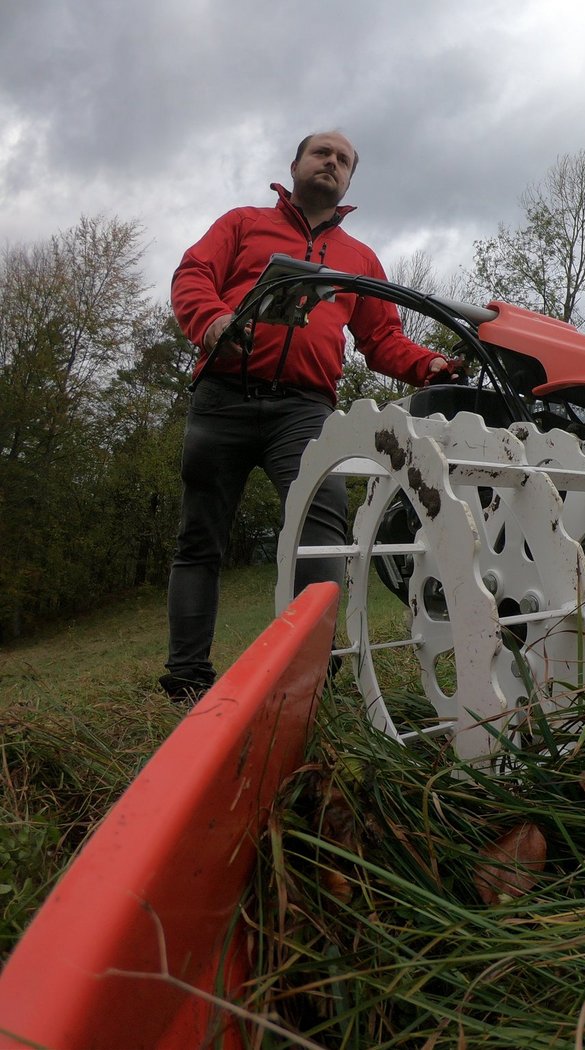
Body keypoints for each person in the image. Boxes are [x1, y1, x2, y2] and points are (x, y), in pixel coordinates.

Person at [161, 130, 454, 702]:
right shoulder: (243, 223)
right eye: (322, 153)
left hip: (305, 409)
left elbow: (383, 338)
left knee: (321, 533)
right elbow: (191, 275)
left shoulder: (360, 259)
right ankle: (187, 680)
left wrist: (431, 366)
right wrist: (214, 320)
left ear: (349, 182)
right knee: (200, 540)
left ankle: (312, 672)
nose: (332, 163)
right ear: (295, 165)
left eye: (344, 161)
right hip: (222, 397)